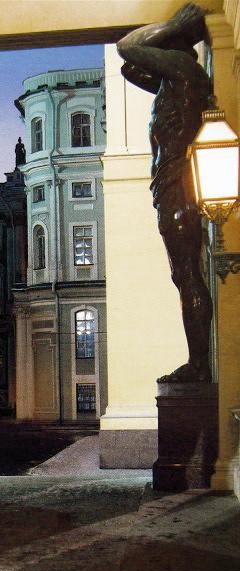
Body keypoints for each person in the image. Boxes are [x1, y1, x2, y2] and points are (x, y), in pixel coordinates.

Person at [117, 2, 213, 383]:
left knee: (187, 274)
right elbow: (129, 68)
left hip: (177, 183)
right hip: (171, 185)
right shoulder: (175, 81)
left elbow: (127, 48)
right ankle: (199, 362)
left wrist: (173, 25)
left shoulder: (183, 71)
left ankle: (199, 365)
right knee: (184, 274)